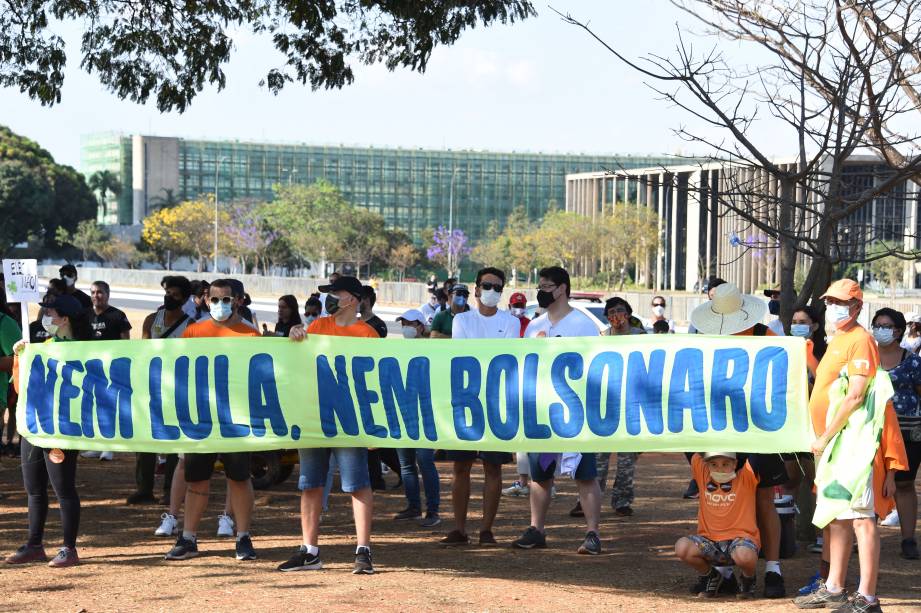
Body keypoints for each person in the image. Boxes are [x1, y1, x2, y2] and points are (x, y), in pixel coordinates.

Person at [794, 279, 908, 613]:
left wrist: (827, 435)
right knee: (839, 518)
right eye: (829, 301)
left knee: (861, 519)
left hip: (852, 445)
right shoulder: (840, 338)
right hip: (835, 447)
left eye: (840, 302)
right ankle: (833, 587)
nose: (833, 307)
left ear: (857, 307)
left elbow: (857, 395)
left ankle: (868, 597)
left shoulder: (860, 340)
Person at [688, 282, 789, 598]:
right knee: (718, 491)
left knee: (762, 498)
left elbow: (785, 370)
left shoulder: (762, 335)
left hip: (758, 429)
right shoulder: (704, 337)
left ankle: (772, 568)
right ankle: (723, 570)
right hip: (716, 429)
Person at [278, 275, 379, 575]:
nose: (330, 298)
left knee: (357, 483)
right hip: (314, 416)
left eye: (336, 293)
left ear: (354, 299)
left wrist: (372, 426)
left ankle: (363, 550)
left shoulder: (367, 335)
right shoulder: (318, 327)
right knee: (310, 483)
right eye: (329, 293)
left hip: (349, 419)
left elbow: (373, 381)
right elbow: (299, 361)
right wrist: (295, 334)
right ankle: (309, 550)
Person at [164, 279, 260, 562]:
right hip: (201, 419)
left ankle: (243, 537)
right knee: (197, 479)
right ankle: (188, 538)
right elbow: (180, 373)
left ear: (239, 300)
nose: (220, 305)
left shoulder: (251, 335)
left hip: (236, 420)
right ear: (206, 301)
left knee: (239, 478)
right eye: (215, 299)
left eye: (227, 299)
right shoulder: (194, 332)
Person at [513, 265, 603, 555]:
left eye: (546, 286)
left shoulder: (583, 324)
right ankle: (536, 528)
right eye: (540, 285)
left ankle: (592, 533)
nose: (541, 291)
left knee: (585, 473)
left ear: (562, 288)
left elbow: (595, 364)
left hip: (576, 412)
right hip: (543, 409)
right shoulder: (535, 326)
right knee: (541, 474)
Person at [5, 294, 90, 568]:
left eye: (50, 312)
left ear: (64, 318)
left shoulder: (84, 350)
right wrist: (20, 357)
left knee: (63, 489)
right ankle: (34, 544)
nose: (45, 317)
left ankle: (69, 548)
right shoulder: (43, 346)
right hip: (34, 426)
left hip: (62, 430)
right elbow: (20, 387)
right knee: (34, 489)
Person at [440, 267, 519, 547]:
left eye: (498, 287)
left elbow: (506, 358)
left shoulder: (510, 322)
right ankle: (459, 529)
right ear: (475, 289)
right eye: (487, 285)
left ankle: (487, 530)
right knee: (461, 466)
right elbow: (464, 355)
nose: (492, 291)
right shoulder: (461, 320)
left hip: (497, 402)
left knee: (493, 468)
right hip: (466, 400)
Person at [129, 276, 193, 508]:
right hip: (151, 386)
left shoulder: (191, 326)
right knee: (145, 439)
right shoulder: (150, 320)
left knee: (175, 443)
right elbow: (144, 350)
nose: (169, 297)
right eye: (167, 292)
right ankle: (143, 488)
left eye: (175, 295)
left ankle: (170, 490)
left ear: (185, 299)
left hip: (177, 389)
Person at [870, 308, 920, 560]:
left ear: (898, 330)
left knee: (904, 484)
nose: (881, 329)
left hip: (907, 431)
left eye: (887, 325)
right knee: (868, 484)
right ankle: (864, 536)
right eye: (877, 324)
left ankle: (908, 539)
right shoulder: (866, 357)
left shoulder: (912, 361)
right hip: (870, 431)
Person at [675, 452, 760, 599]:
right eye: (714, 464)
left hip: (740, 541)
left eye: (725, 464)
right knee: (682, 547)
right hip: (710, 544)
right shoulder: (702, 474)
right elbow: (692, 445)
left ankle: (748, 578)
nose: (719, 469)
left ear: (734, 463)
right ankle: (710, 576)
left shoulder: (746, 477)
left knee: (744, 556)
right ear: (706, 465)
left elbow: (758, 453)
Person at [592, 297, 644, 517]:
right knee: (599, 457)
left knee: (626, 458)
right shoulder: (602, 337)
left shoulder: (640, 337)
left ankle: (622, 500)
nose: (616, 316)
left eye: (620, 311)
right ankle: (590, 497)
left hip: (632, 405)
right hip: (607, 403)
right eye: (611, 312)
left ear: (629, 314)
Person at [392, 309, 441, 527]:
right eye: (403, 323)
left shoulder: (432, 349)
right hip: (404, 411)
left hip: (425, 414)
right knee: (406, 465)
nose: (406, 327)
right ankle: (413, 506)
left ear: (421, 326)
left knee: (424, 461)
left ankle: (433, 511)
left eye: (410, 323)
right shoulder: (399, 349)